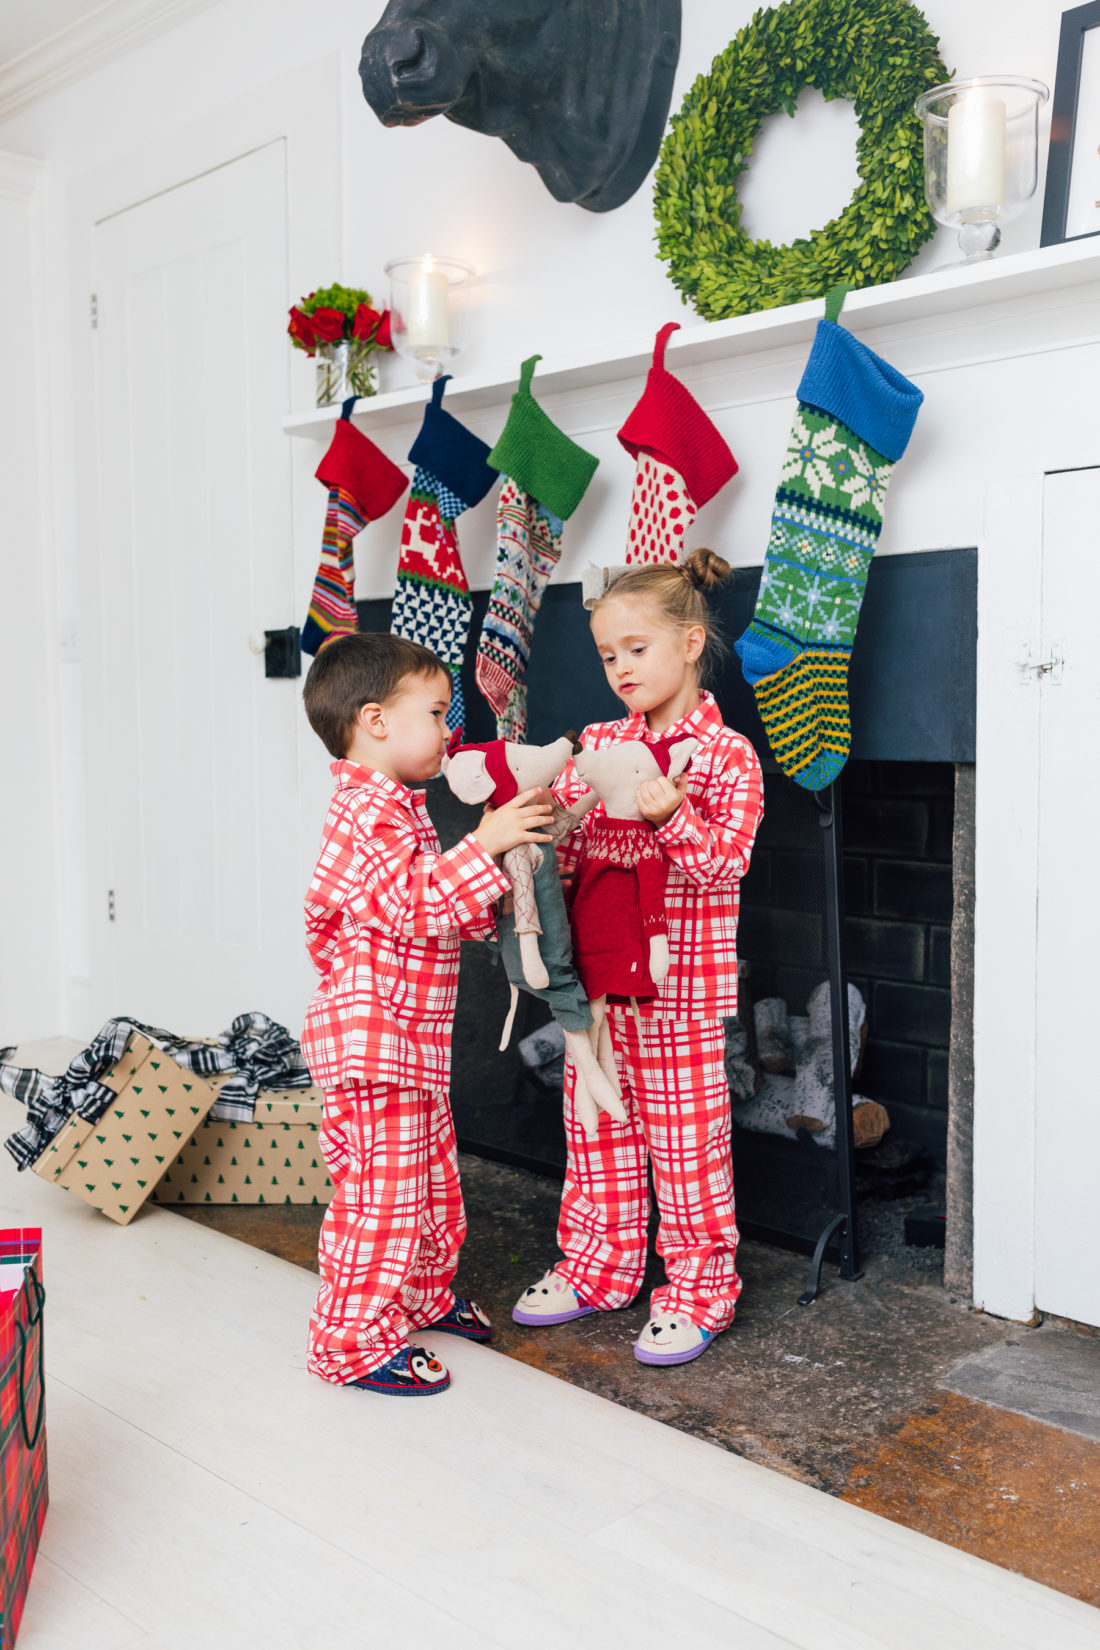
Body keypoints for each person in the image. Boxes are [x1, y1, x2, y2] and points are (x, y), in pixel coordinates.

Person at [513, 549, 764, 1366]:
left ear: (690, 644)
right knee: (598, 1132)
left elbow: (722, 869)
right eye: (607, 655)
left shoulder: (726, 757)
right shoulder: (598, 743)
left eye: (637, 649)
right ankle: (599, 1265)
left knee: (688, 1146)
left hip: (683, 990)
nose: (621, 667)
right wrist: (547, 823)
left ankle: (698, 1290)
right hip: (600, 985)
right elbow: (576, 857)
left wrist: (670, 820)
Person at [301, 631, 552, 1396]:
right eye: (438, 713)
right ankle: (349, 1340)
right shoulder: (363, 812)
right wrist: (486, 842)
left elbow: (431, 907)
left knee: (429, 1184)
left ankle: (416, 1296)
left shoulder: (398, 808)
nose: (450, 731)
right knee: (382, 1196)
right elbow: (414, 900)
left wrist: (503, 877)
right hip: (371, 1047)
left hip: (407, 1044)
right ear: (375, 721)